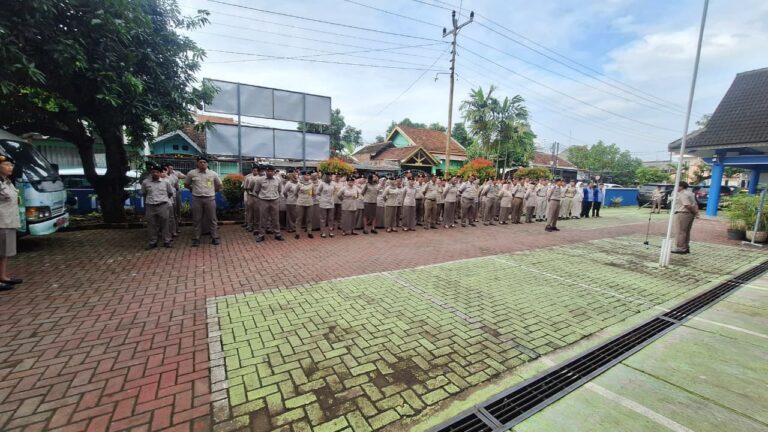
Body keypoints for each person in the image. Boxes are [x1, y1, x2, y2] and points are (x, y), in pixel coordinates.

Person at [184, 156, 222, 246]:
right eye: (200, 162)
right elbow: (186, 184)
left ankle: (214, 237)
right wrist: (192, 190)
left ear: (207, 163)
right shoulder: (191, 173)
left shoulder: (213, 174)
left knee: (212, 218)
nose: (202, 163)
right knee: (197, 219)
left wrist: (213, 191)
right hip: (197, 199)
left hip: (210, 199)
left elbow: (219, 185)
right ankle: (197, 238)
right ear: (197, 163)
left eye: (204, 162)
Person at [0, 155, 22, 291]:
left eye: (11, 165)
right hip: (0, 221)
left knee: (4, 252)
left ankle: (3, 276)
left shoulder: (7, 181)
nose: (11, 167)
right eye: (7, 164)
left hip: (8, 221)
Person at [141, 164, 174, 249]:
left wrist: (163, 200)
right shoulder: (145, 182)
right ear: (151, 173)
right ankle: (153, 242)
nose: (155, 173)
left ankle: (167, 241)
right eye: (153, 172)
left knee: (165, 224)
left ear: (160, 173)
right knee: (152, 225)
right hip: (150, 206)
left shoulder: (166, 182)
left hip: (163, 205)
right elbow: (143, 193)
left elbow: (170, 193)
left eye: (157, 172)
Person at [253, 165, 285, 242]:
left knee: (276, 219)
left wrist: (276, 197)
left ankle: (277, 234)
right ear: (265, 171)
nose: (269, 172)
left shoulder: (278, 180)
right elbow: (256, 191)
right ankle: (261, 235)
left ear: (274, 172)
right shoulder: (260, 180)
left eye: (271, 171)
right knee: (263, 219)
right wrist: (262, 197)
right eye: (268, 171)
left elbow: (280, 190)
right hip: (263, 201)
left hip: (275, 201)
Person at [672, 181, 698, 254]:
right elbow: (695, 203)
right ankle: (685, 247)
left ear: (681, 186)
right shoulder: (690, 193)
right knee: (686, 231)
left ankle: (680, 248)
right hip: (689, 214)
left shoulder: (682, 194)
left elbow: (687, 205)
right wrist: (695, 212)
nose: (676, 188)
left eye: (677, 186)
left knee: (680, 232)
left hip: (682, 213)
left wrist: (695, 212)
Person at [165, 163, 186, 235]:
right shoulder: (162, 176)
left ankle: (176, 228)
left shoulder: (175, 174)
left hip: (174, 194)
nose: (171, 170)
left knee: (175, 212)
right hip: (165, 196)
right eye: (169, 168)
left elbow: (183, 177)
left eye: (172, 168)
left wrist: (179, 175)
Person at [294, 170, 315, 239]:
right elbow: (295, 193)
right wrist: (300, 198)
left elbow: (314, 193)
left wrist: (309, 198)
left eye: (309, 175)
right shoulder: (299, 183)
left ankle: (309, 232)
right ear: (303, 176)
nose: (308, 176)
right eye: (306, 175)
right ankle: (297, 233)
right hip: (300, 203)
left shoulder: (312, 183)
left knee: (309, 219)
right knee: (299, 218)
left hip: (309, 203)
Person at [316, 174, 336, 238]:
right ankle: (323, 232)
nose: (330, 177)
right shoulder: (322, 184)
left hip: (331, 203)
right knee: (323, 219)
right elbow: (317, 192)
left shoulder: (333, 183)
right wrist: (320, 199)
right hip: (323, 204)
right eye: (329, 176)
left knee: (331, 218)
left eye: (331, 176)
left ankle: (331, 231)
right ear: (326, 177)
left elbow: (334, 191)